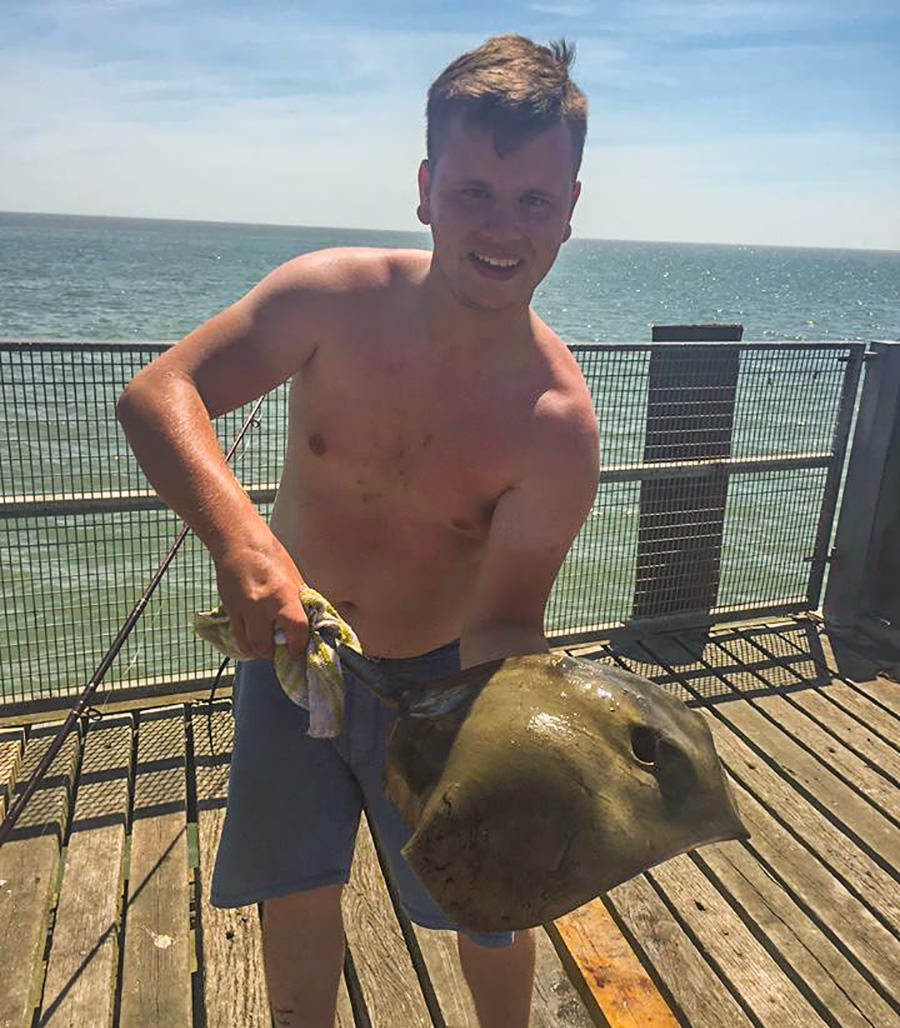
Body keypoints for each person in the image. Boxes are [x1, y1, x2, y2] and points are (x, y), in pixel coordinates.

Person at [117, 33, 599, 1028]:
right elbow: (160, 394)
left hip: (444, 683)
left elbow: (507, 620)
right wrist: (244, 543)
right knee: (296, 883)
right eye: (473, 192)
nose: (501, 227)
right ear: (425, 189)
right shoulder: (328, 298)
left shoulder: (557, 425)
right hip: (292, 656)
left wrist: (518, 751)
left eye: (533, 201)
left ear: (570, 211)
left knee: (487, 904)